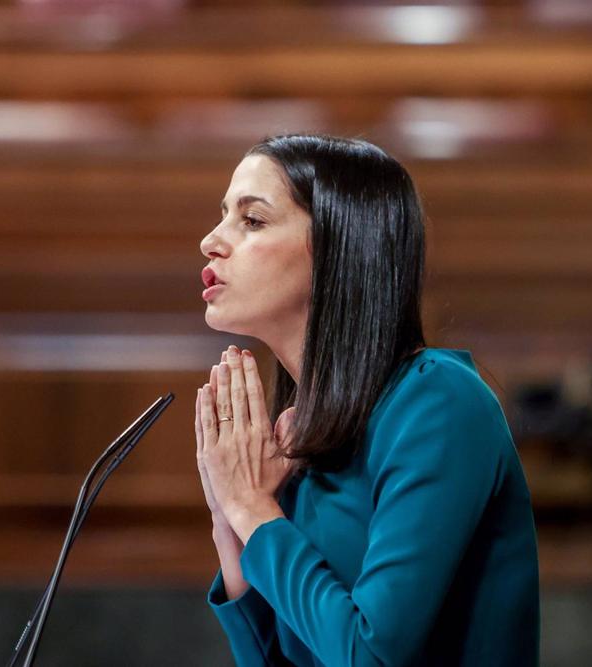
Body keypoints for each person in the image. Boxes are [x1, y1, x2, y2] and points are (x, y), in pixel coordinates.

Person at [194, 134, 539, 666]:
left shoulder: (439, 403)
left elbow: (370, 656)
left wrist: (252, 510)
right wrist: (230, 524)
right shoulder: (301, 435)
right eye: (223, 216)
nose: (211, 242)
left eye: (253, 220)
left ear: (340, 249)